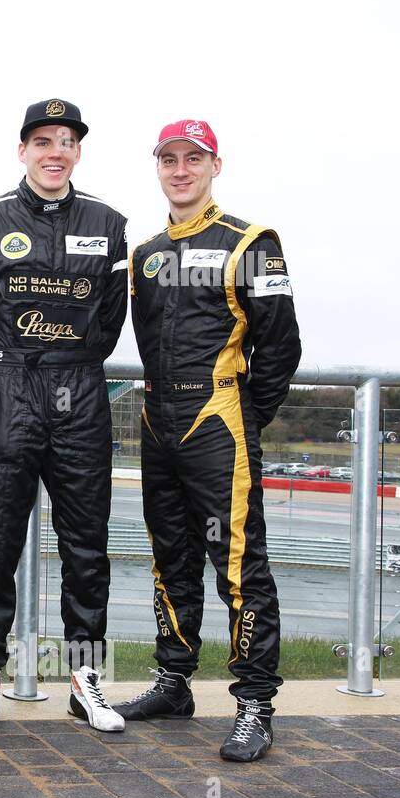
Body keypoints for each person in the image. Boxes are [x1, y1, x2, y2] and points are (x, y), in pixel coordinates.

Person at [112, 119, 301, 762]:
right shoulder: (144, 252)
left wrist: (245, 414)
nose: (181, 169)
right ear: (157, 167)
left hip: (219, 420)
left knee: (241, 567)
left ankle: (253, 702)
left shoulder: (251, 241)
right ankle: (174, 681)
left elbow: (281, 347)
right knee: (170, 557)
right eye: (169, 159)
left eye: (194, 158)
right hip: (156, 419)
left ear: (216, 165)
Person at [0, 99, 128, 734]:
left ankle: (85, 681)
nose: (56, 152)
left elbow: (109, 323)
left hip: (80, 390)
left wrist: (66, 360)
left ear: (78, 152)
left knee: (87, 546)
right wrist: (7, 369)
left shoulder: (109, 224)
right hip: (7, 390)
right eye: (42, 141)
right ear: (21, 149)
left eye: (67, 141)